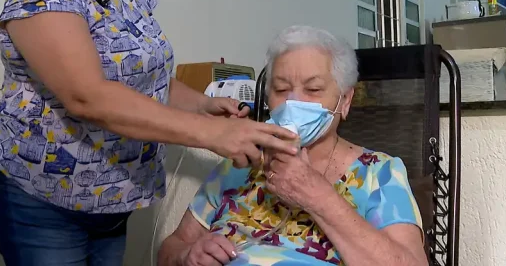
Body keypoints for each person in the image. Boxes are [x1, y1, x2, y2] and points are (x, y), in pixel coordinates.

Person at [0, 0, 297, 266]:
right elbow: (88, 97)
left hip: (113, 200)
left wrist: (201, 104)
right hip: (43, 200)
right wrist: (210, 134)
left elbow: (147, 77)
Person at [159, 25, 427, 266]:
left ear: (345, 101)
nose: (293, 102)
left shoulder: (378, 174)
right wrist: (187, 255)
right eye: (281, 88)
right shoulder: (239, 163)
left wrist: (317, 197)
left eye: (313, 90)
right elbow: (170, 250)